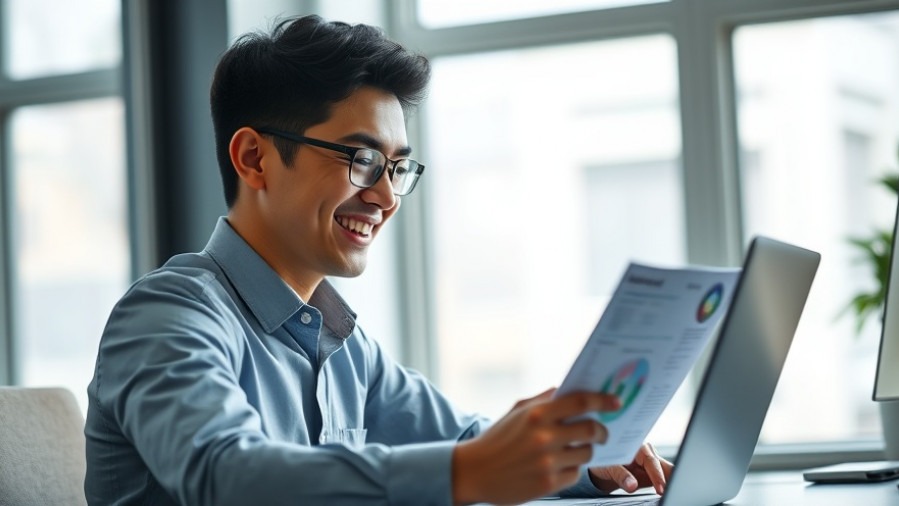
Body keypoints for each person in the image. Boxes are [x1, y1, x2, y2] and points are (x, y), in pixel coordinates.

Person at [84, 14, 672, 506]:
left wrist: (587, 464)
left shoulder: (342, 345)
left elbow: (466, 438)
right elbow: (224, 474)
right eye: (362, 158)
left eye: (397, 167)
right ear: (255, 158)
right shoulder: (167, 315)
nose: (387, 197)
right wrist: (467, 470)